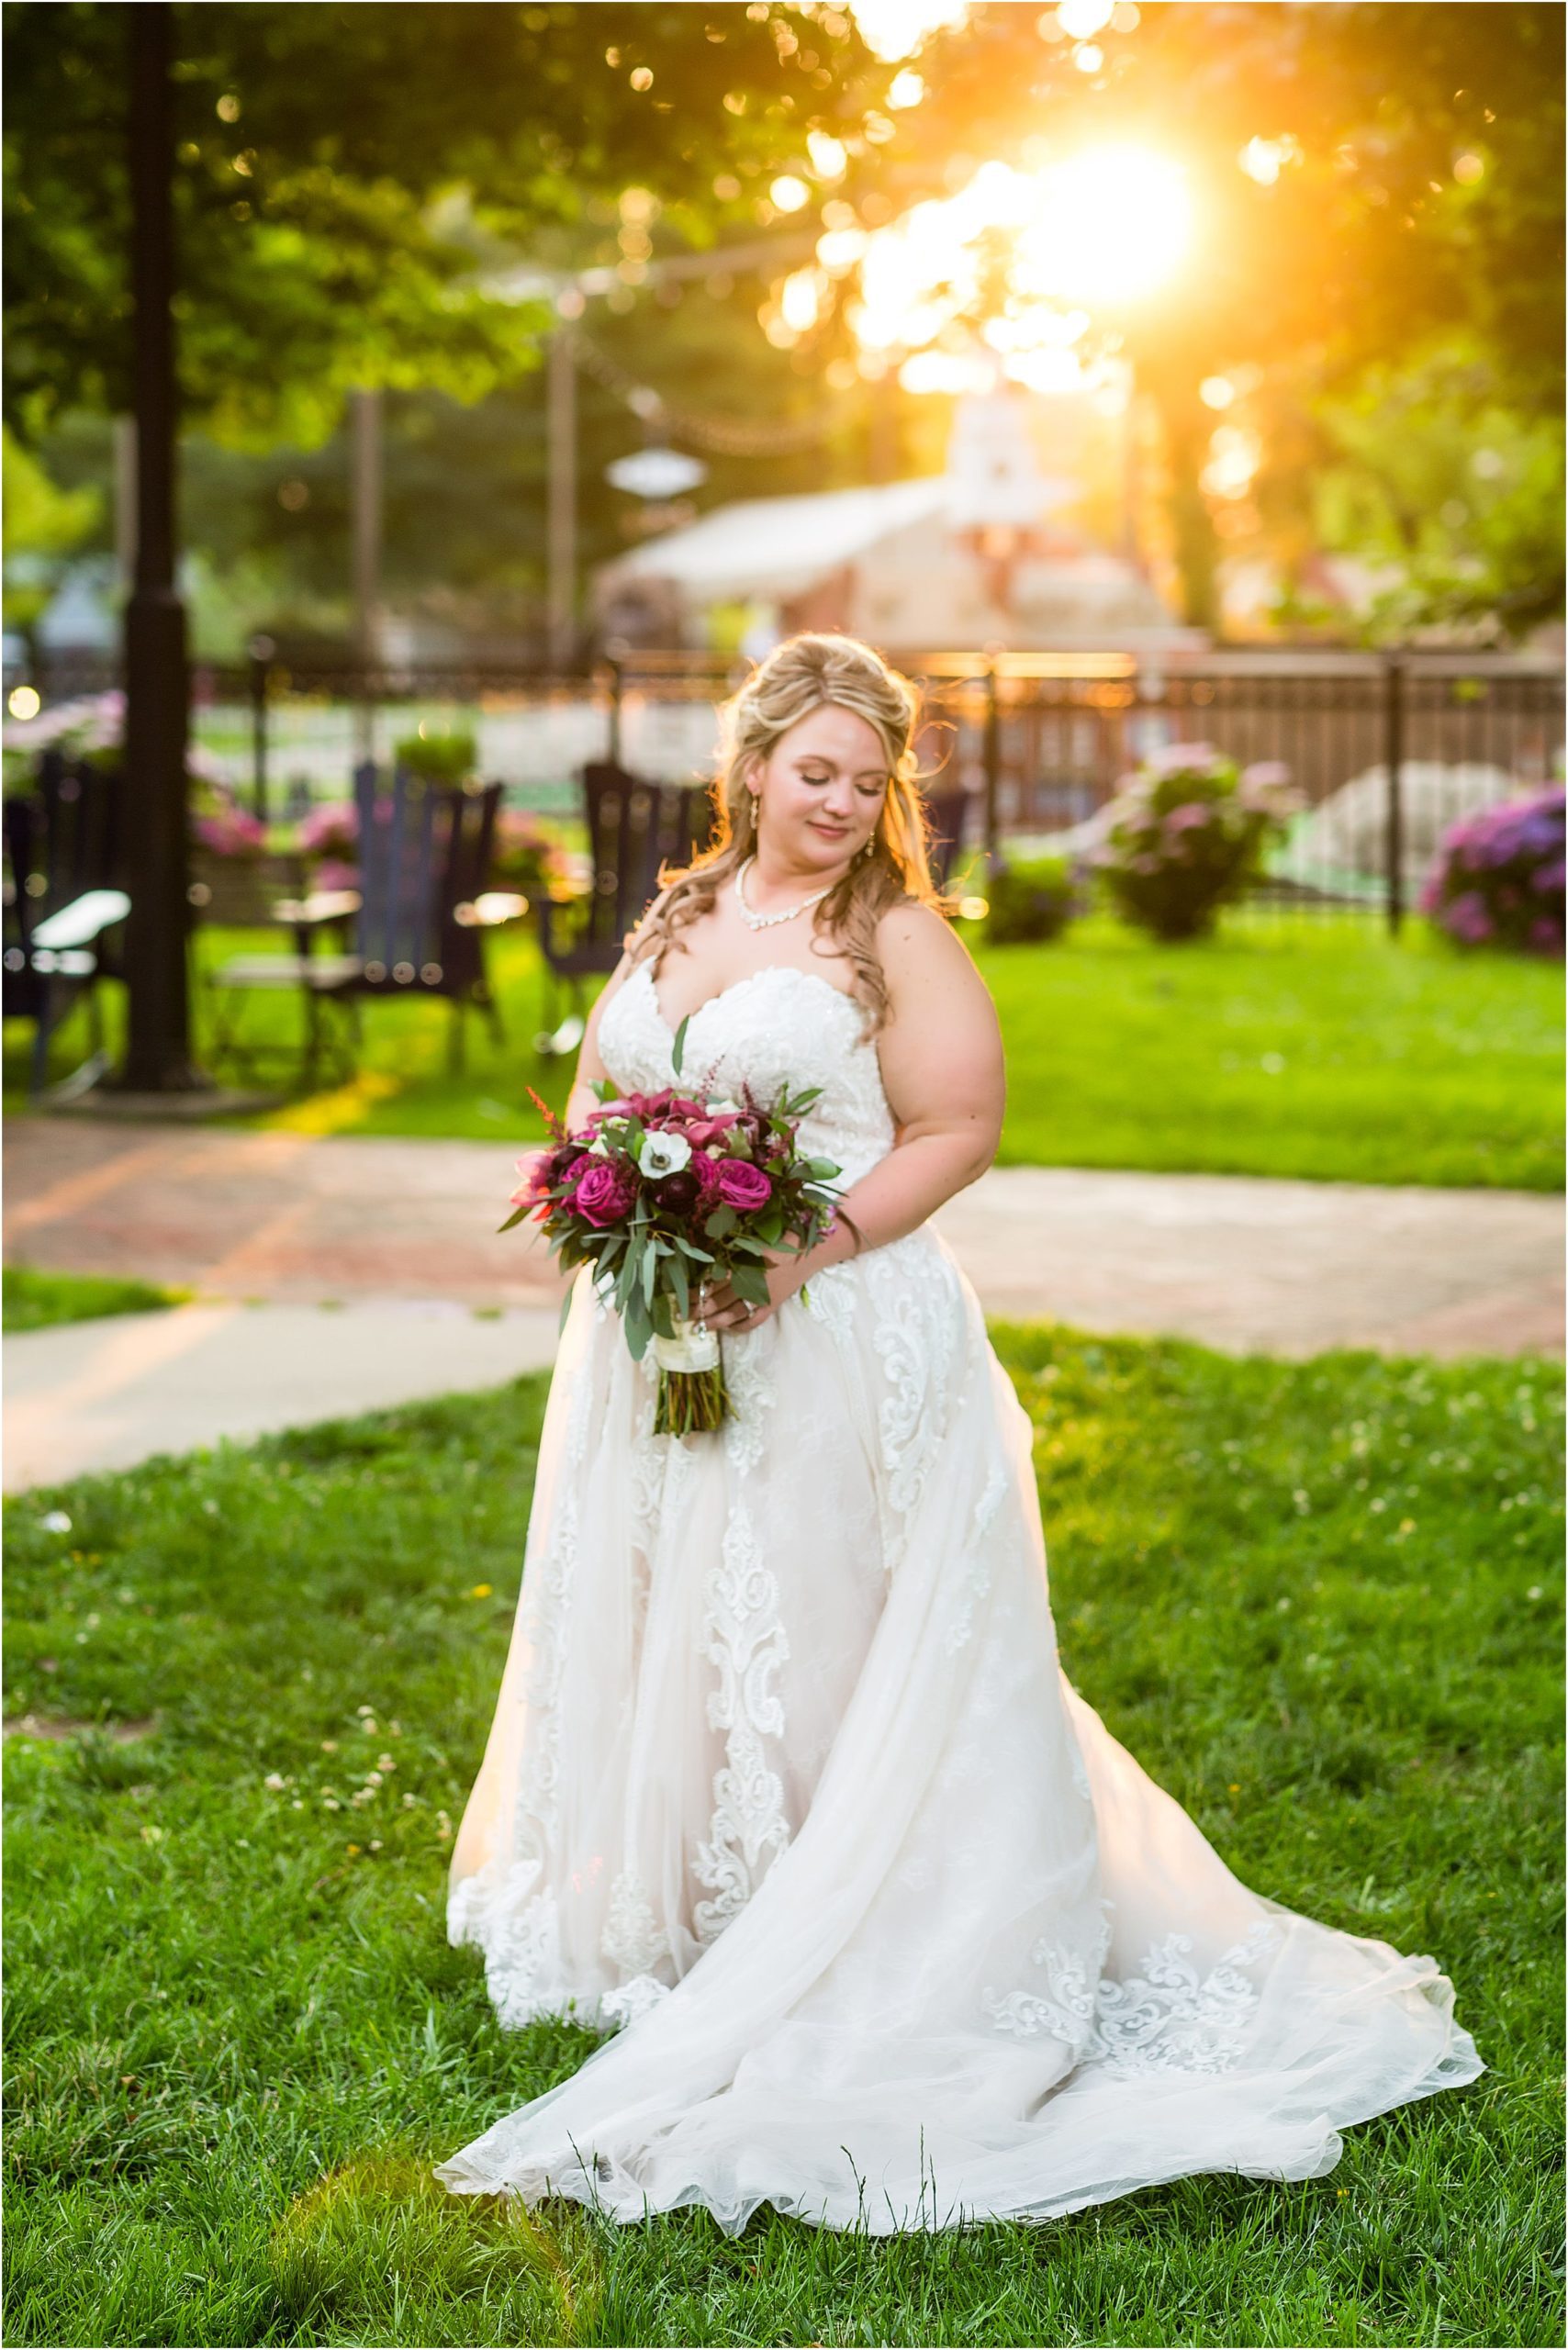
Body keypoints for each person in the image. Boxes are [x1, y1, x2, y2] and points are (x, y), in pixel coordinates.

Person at [433, 632, 1481, 2234]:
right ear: (756, 765)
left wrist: (797, 1249)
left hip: (838, 1330)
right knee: (679, 1605)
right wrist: (607, 1197)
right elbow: (597, 1092)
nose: (844, 802)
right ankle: (707, 1907)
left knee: (824, 1615)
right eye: (817, 773)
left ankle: (863, 1911)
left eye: (871, 780)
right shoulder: (680, 913)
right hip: (657, 1336)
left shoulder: (891, 934)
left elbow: (960, 1125)